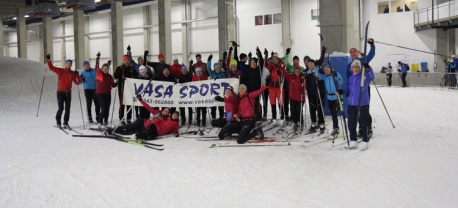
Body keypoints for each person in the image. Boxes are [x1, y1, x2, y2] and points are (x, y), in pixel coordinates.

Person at [337, 60, 374, 151]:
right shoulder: (350, 78)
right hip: (352, 104)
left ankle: (365, 141)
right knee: (351, 123)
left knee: (363, 122)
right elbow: (349, 88)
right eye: (354, 67)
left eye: (357, 67)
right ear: (352, 68)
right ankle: (353, 140)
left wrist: (369, 68)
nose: (355, 68)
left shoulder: (364, 76)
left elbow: (372, 77)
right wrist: (343, 91)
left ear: (360, 68)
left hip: (362, 103)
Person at [109, 95, 179, 140]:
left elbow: (169, 125)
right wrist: (141, 100)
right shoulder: (157, 112)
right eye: (165, 110)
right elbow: (148, 107)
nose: (165, 111)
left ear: (168, 113)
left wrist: (173, 131)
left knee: (129, 132)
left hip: (145, 128)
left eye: (167, 111)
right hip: (142, 122)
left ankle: (118, 132)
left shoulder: (166, 119)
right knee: (128, 127)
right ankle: (113, 130)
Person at [46, 55, 81, 129]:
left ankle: (66, 123)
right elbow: (51, 67)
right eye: (67, 63)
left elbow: (77, 82)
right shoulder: (60, 71)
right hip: (60, 92)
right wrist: (49, 60)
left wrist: (78, 76)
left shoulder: (72, 73)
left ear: (71, 65)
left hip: (68, 92)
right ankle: (58, 121)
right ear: (65, 64)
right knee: (61, 108)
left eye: (70, 63)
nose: (68, 65)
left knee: (67, 108)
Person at [279, 63, 306, 133]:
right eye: (296, 70)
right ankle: (295, 123)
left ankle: (301, 122)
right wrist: (282, 67)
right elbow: (284, 73)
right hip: (292, 97)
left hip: (300, 97)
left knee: (299, 111)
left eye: (298, 71)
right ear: (294, 71)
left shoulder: (302, 78)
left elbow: (305, 87)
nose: (297, 72)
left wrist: (304, 82)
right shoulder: (291, 76)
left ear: (300, 71)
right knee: (293, 111)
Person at [317, 63, 343, 136]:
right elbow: (317, 75)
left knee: (334, 113)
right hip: (329, 98)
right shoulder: (325, 77)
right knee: (332, 113)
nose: (327, 71)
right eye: (325, 70)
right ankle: (336, 127)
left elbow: (341, 82)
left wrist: (337, 76)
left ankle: (336, 128)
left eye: (328, 69)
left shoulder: (335, 75)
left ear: (330, 69)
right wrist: (316, 67)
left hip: (336, 97)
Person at [114, 54, 137, 125]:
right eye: (125, 60)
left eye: (128, 60)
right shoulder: (120, 68)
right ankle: (121, 118)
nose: (126, 61)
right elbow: (115, 76)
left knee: (129, 103)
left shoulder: (131, 68)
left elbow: (135, 76)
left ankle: (129, 118)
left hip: (129, 89)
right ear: (123, 61)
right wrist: (120, 69)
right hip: (122, 88)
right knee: (122, 104)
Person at [95, 52, 117, 126]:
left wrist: (118, 83)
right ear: (102, 69)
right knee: (103, 108)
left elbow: (113, 85)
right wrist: (98, 58)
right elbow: (97, 67)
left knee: (107, 108)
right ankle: (100, 121)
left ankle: (106, 121)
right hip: (100, 93)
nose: (105, 70)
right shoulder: (99, 74)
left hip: (108, 93)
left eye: (107, 69)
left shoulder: (109, 76)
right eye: (104, 68)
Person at [304, 59, 326, 133]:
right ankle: (313, 123)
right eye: (309, 64)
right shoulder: (307, 72)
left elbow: (324, 78)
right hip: (311, 93)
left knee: (320, 108)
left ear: (314, 64)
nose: (310, 65)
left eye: (312, 64)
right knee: (312, 108)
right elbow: (307, 82)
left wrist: (319, 79)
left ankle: (322, 123)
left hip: (320, 92)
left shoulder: (319, 70)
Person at [265, 50, 284, 125]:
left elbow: (284, 73)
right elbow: (265, 66)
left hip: (279, 87)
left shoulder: (281, 66)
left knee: (280, 102)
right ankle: (274, 117)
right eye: (273, 59)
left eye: (276, 59)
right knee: (272, 102)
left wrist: (281, 74)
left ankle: (282, 117)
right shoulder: (270, 67)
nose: (275, 61)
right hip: (272, 87)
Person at [245, 47, 264, 121]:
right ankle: (250, 115)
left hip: (256, 89)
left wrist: (259, 53)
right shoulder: (248, 69)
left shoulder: (258, 69)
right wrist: (249, 56)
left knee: (256, 102)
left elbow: (261, 61)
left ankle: (257, 116)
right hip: (249, 89)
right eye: (252, 62)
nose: (253, 63)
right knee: (250, 102)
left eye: (254, 62)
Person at [207, 54, 227, 121]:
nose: (217, 68)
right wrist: (209, 60)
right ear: (214, 68)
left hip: (221, 91)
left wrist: (219, 79)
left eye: (218, 67)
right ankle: (213, 118)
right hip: (213, 92)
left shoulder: (223, 73)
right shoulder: (212, 73)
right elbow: (208, 68)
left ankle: (221, 117)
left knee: (221, 105)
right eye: (216, 67)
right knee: (214, 105)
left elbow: (225, 80)